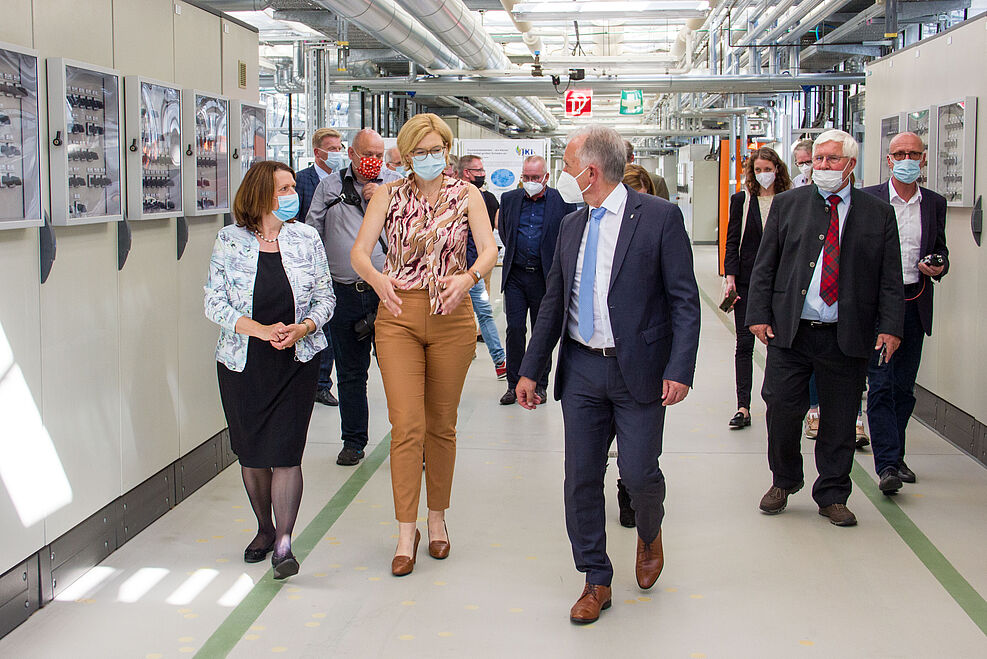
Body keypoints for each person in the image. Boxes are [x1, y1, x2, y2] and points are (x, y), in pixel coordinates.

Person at [516, 126, 700, 624]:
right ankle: (595, 578)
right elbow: (554, 303)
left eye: (568, 164)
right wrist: (531, 370)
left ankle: (649, 531)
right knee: (580, 477)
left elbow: (685, 301)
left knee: (639, 473)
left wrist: (680, 368)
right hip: (581, 369)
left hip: (638, 369)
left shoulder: (659, 217)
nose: (563, 173)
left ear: (591, 171)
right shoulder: (571, 225)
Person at [351, 114, 497, 577]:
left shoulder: (467, 194)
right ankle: (405, 530)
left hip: (452, 313)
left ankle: (437, 519)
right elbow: (359, 252)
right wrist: (377, 280)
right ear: (408, 155)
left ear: (447, 151)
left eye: (438, 150)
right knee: (407, 426)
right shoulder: (389, 194)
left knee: (441, 426)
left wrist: (469, 278)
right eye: (422, 151)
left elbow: (489, 250)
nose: (431, 157)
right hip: (399, 315)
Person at [746, 129, 904, 528]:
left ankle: (833, 494)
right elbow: (765, 265)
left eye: (832, 159)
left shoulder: (877, 213)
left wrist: (890, 327)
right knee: (781, 409)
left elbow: (889, 278)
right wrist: (758, 314)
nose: (822, 166)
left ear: (851, 164)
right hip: (791, 332)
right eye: (818, 159)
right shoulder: (788, 204)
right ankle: (784, 479)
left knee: (840, 418)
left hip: (846, 334)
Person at [205, 160, 335, 580]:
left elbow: (326, 297)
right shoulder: (230, 240)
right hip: (244, 363)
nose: (292, 194)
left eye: (293, 187)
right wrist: (259, 330)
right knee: (253, 453)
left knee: (286, 453)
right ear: (260, 194)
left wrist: (305, 327)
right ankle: (264, 528)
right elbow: (213, 303)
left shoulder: (306, 238)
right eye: (284, 188)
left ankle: (284, 544)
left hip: (297, 360)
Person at [306, 128, 400, 466]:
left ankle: (408, 442)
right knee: (350, 373)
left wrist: (384, 200)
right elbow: (313, 231)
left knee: (398, 372)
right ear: (351, 154)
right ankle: (353, 441)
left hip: (388, 294)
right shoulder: (329, 186)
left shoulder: (396, 184)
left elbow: (410, 232)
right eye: (367, 154)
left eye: (379, 154)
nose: (373, 160)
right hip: (344, 292)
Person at [862, 131, 948, 494]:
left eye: (913, 153)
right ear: (889, 160)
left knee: (903, 387)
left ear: (924, 159)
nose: (907, 160)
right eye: (899, 154)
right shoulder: (869, 199)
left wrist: (939, 266)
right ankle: (886, 465)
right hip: (880, 305)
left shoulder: (934, 203)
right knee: (881, 383)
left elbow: (941, 250)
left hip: (915, 301)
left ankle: (896, 456)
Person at [498, 155, 577, 406]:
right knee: (515, 329)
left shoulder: (562, 201)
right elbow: (505, 232)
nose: (530, 181)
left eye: (535, 177)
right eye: (526, 177)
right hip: (516, 275)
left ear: (546, 177)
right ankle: (513, 384)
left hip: (546, 277)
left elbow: (570, 235)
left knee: (542, 331)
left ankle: (540, 383)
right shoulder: (509, 199)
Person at [723, 147, 792, 430]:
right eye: (758, 170)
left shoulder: (789, 200)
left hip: (781, 283)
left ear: (778, 170)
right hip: (748, 281)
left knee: (778, 344)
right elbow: (731, 241)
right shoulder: (742, 200)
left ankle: (778, 402)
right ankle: (743, 406)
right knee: (744, 344)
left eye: (768, 169)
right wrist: (730, 277)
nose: (764, 175)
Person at [296, 128, 346, 407]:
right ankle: (310, 382)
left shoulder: (343, 181)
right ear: (318, 152)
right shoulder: (301, 181)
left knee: (330, 323)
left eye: (339, 147)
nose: (337, 153)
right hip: (307, 264)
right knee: (311, 322)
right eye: (332, 148)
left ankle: (322, 383)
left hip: (335, 263)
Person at [456, 154, 507, 379]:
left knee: (484, 311)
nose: (483, 174)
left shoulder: (485, 198)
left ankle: (500, 360)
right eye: (479, 170)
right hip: (450, 271)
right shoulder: (451, 196)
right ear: (466, 172)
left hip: (474, 269)